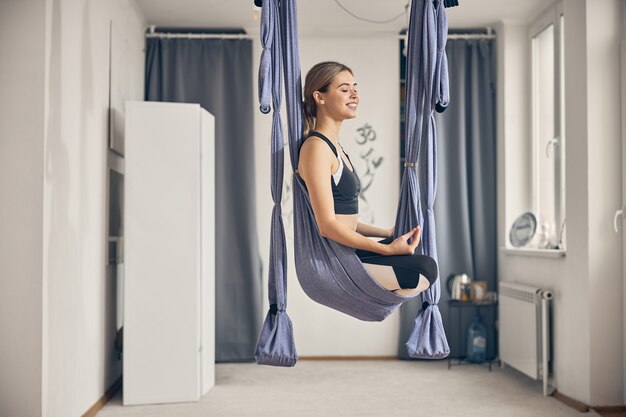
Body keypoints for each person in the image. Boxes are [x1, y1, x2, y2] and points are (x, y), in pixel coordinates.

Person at [297, 61, 438, 297]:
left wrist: (387, 232)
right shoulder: (316, 148)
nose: (354, 95)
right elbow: (328, 226)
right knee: (421, 271)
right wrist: (386, 250)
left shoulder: (335, 147)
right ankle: (364, 294)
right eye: (344, 89)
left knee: (424, 262)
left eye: (355, 88)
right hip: (338, 258)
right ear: (319, 97)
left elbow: (346, 220)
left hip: (349, 248)